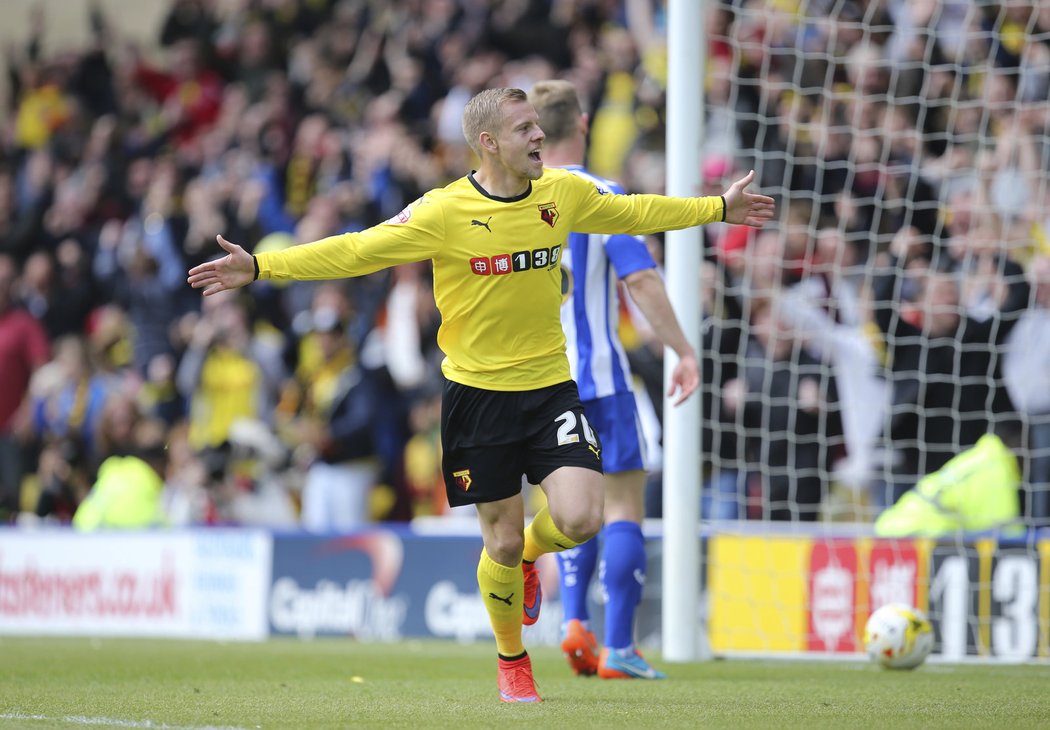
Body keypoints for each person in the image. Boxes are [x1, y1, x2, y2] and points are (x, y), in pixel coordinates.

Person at [188, 87, 775, 703]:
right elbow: (357, 250)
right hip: (476, 398)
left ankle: (527, 558)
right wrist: (261, 268)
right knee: (497, 537)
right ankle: (512, 661)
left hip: (550, 387)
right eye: (525, 130)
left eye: (538, 128)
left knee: (581, 516)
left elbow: (636, 214)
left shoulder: (563, 193)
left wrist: (717, 208)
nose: (539, 137)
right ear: (488, 142)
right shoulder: (443, 212)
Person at [528, 79, 699, 680]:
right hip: (600, 378)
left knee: (567, 508)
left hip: (537, 386)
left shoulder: (509, 199)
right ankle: (620, 648)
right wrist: (682, 348)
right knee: (624, 505)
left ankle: (574, 621)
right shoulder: (599, 195)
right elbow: (642, 279)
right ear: (583, 121)